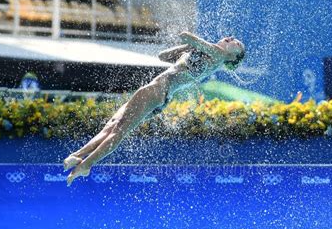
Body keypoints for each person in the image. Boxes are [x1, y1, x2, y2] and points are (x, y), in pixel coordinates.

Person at [63, 32, 245, 186]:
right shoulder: (208, 54)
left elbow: (186, 36)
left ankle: (86, 164)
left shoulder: (219, 55)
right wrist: (186, 49)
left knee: (120, 129)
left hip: (159, 91)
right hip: (159, 93)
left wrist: (192, 44)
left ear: (233, 57)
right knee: (113, 125)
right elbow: (163, 56)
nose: (231, 38)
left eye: (237, 43)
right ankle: (78, 156)